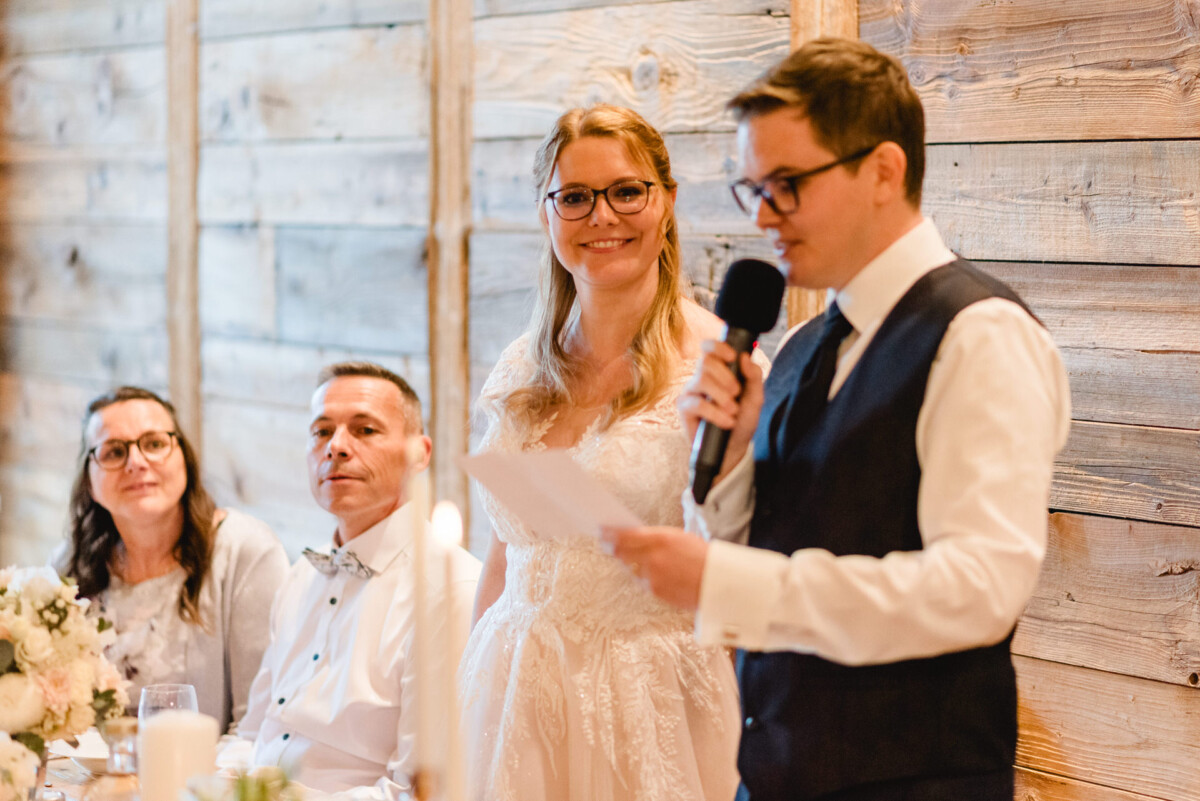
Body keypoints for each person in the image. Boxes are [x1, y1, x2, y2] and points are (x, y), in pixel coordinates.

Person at [603, 38, 1072, 801]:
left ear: (884, 170)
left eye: (785, 184)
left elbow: (979, 588)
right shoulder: (802, 342)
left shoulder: (980, 334)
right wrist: (725, 468)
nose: (762, 217)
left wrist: (736, 581)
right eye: (750, 189)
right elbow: (779, 536)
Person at [460, 104, 750, 801]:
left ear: (667, 201)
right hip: (514, 691)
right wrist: (469, 687)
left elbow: (746, 556)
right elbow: (506, 550)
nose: (603, 217)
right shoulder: (519, 367)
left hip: (649, 696)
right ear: (546, 213)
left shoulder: (717, 367)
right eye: (576, 197)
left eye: (627, 191)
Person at [226, 362, 480, 799]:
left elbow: (416, 791)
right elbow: (253, 734)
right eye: (322, 432)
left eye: (365, 430)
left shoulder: (451, 590)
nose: (337, 447)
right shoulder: (301, 573)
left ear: (419, 453)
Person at [55, 386, 289, 733]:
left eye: (154, 444)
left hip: (206, 781)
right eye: (114, 451)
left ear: (185, 458)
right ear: (89, 479)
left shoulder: (246, 552)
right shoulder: (71, 563)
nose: (136, 463)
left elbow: (259, 726)